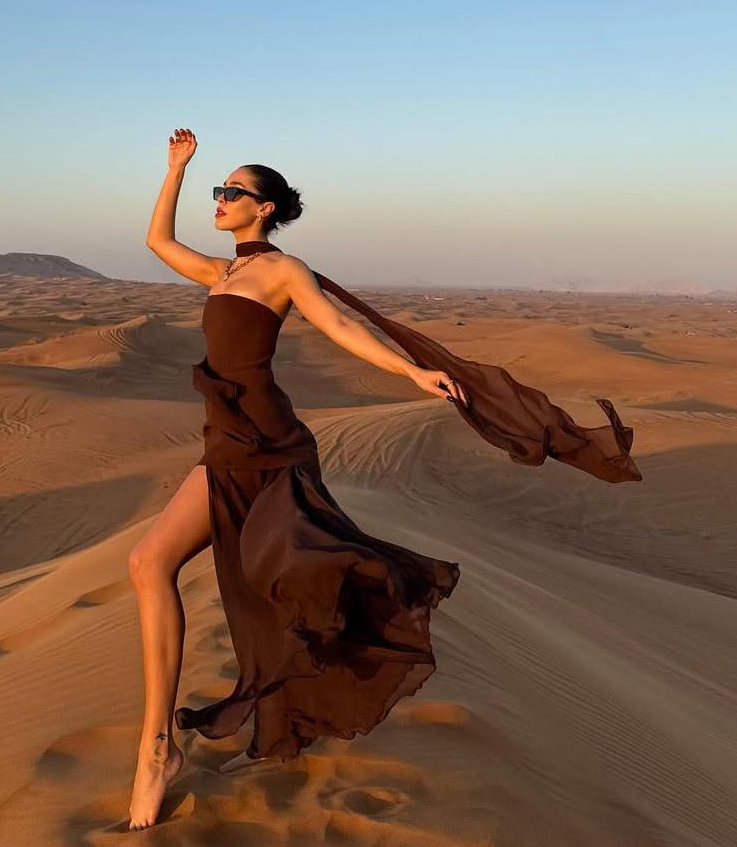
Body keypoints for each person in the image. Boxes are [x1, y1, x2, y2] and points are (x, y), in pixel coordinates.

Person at [126, 127, 640, 830]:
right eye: (218, 192)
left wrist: (408, 370)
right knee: (152, 564)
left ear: (266, 208)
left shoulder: (282, 271)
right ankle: (158, 746)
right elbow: (157, 241)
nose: (219, 201)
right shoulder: (222, 274)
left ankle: (165, 747)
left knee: (210, 568)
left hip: (265, 445)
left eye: (231, 192)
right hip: (225, 438)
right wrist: (175, 170)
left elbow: (339, 327)